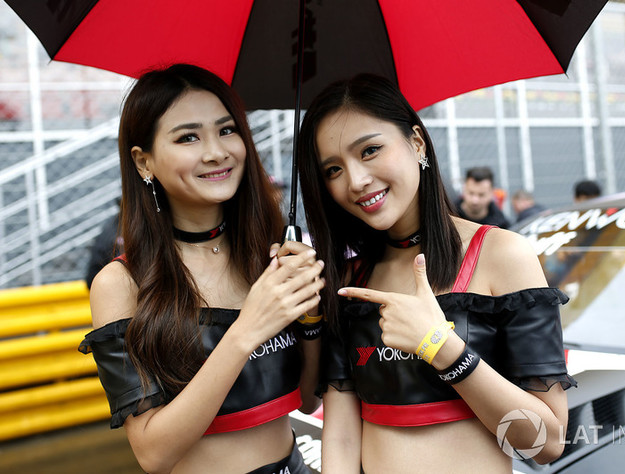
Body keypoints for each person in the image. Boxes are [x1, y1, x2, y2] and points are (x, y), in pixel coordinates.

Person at [297, 74, 575, 473]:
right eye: (333, 170)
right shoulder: (348, 281)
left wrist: (441, 348)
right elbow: (340, 436)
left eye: (370, 150)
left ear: (417, 142)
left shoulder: (501, 254)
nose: (356, 181)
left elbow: (547, 442)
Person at [79, 64, 324, 474]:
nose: (216, 151)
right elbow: (153, 453)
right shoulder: (122, 284)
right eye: (188, 137)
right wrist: (247, 330)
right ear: (143, 162)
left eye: (227, 130)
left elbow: (308, 399)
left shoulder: (269, 255)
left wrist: (311, 315)